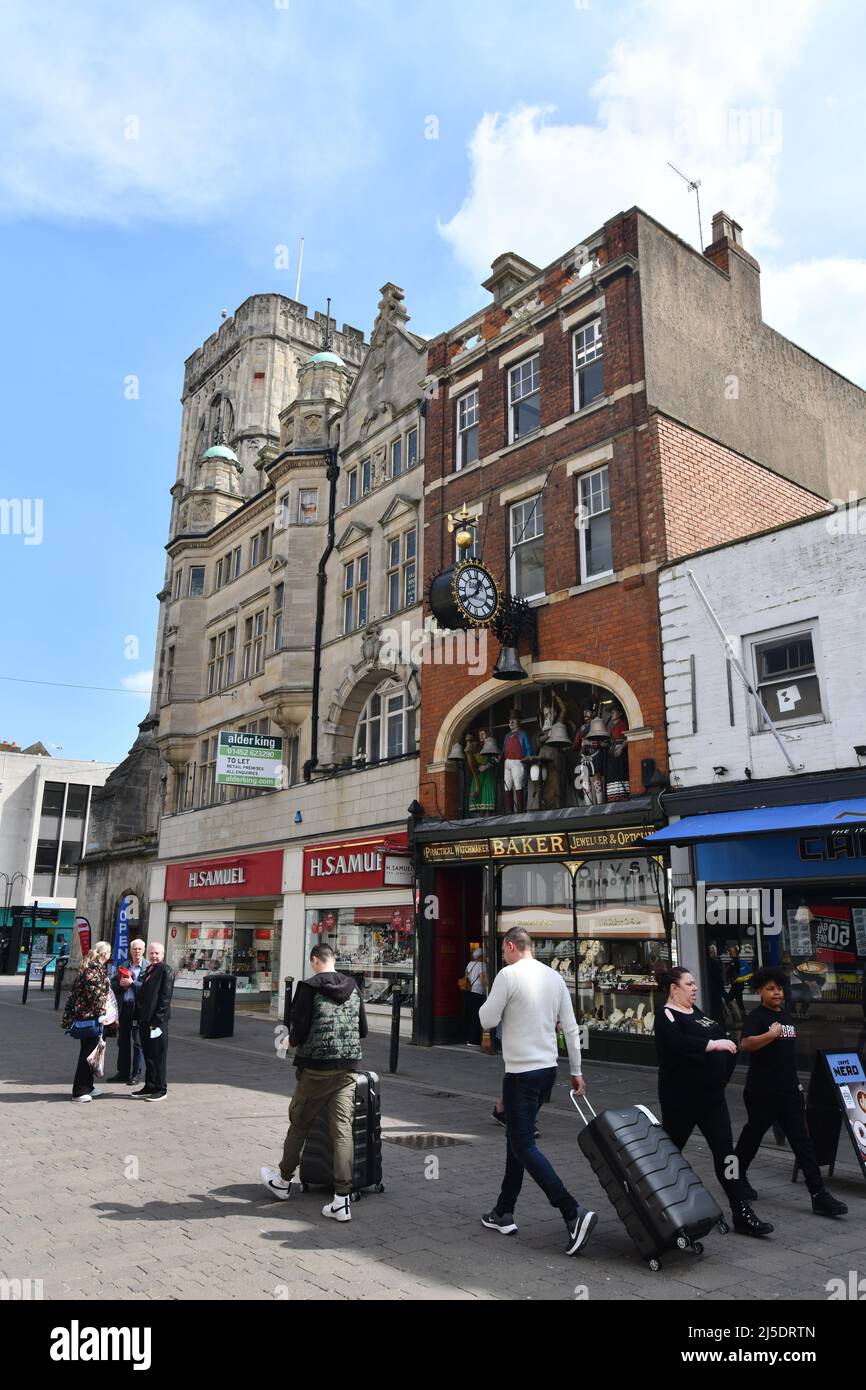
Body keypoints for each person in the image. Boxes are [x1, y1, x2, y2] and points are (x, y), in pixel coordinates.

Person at [477, 927, 596, 1255]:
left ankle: (572, 1212)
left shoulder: (508, 975)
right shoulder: (554, 978)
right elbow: (571, 1029)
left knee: (524, 1145)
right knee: (516, 1138)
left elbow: (486, 1017)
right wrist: (576, 1071)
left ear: (512, 946)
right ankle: (504, 1211)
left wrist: (494, 999)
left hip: (520, 1073)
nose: (502, 956)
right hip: (548, 1070)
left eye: (503, 950)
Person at [654, 966, 772, 1237]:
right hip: (681, 1101)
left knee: (726, 1156)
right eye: (689, 983)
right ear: (674, 988)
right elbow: (678, 1045)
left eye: (695, 983)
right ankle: (655, 1204)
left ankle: (741, 1211)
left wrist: (720, 1073)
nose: (695, 988)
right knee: (670, 1154)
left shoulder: (697, 1013)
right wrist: (713, 1046)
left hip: (711, 1100)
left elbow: (724, 1042)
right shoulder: (666, 1015)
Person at [260, 942, 368, 1223]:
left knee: (299, 1123)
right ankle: (342, 1200)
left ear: (314, 960)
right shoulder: (354, 987)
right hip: (348, 1068)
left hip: (316, 1069)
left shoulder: (308, 987)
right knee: (342, 1131)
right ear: (333, 960)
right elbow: (364, 1029)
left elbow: (301, 1027)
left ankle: (283, 1182)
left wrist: (289, 1041)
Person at [734, 967, 847, 1218]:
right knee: (751, 1136)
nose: (777, 993)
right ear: (760, 991)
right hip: (762, 1092)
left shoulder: (786, 1016)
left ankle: (818, 1195)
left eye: (780, 988)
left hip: (788, 1092)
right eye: (771, 989)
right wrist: (770, 1034)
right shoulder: (757, 1017)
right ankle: (734, 1177)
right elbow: (745, 1044)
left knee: (803, 1142)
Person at [62, 941, 111, 1102]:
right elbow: (95, 995)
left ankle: (88, 1086)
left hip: (91, 1016)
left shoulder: (94, 966)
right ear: (106, 954)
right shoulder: (93, 968)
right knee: (87, 1053)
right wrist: (103, 1013)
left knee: (92, 1052)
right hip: (89, 1017)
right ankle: (79, 1090)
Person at [133, 941, 175, 1102]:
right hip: (145, 1019)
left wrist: (156, 1021)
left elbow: (165, 998)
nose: (154, 956)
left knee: (158, 1056)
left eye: (157, 953)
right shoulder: (150, 969)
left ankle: (160, 1088)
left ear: (162, 954)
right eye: (151, 953)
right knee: (149, 1054)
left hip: (157, 1022)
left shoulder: (166, 970)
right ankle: (149, 1085)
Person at [108, 937, 146, 1084]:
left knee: (137, 1043)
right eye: (134, 949)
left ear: (143, 951)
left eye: (139, 949)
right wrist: (122, 986)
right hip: (124, 1007)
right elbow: (113, 984)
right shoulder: (124, 965)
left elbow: (148, 990)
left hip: (138, 1009)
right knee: (122, 1041)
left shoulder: (147, 968)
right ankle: (122, 1072)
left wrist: (132, 983)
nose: (136, 951)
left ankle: (136, 1074)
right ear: (130, 951)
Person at [464, 947, 487, 1045]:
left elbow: (465, 976)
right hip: (478, 992)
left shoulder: (470, 964)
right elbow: (483, 979)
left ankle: (468, 1038)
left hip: (468, 991)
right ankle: (474, 1039)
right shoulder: (482, 965)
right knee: (477, 1016)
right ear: (481, 956)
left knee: (470, 1015)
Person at [725, 945, 745, 1023]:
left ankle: (737, 1018)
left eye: (731, 951)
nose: (729, 952)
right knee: (739, 1002)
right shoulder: (735, 961)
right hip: (738, 985)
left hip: (736, 985)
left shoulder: (735, 962)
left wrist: (733, 979)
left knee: (729, 1000)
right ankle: (742, 1019)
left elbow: (736, 973)